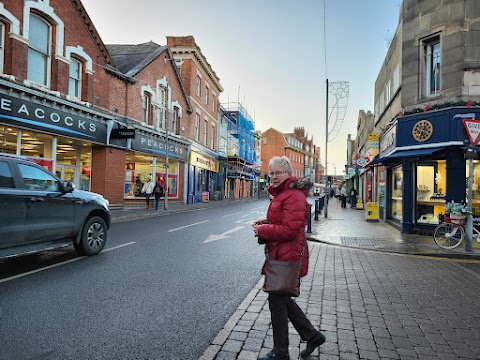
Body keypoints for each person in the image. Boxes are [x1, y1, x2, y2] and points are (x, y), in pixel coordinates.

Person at [252, 156, 325, 360]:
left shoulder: (292, 195)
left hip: (288, 256)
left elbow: (290, 230)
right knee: (281, 299)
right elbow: (283, 220)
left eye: (278, 173)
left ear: (288, 173)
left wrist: (263, 230)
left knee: (277, 300)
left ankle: (281, 352)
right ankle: (312, 336)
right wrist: (264, 222)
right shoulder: (283, 193)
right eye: (271, 173)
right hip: (280, 254)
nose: (273, 177)